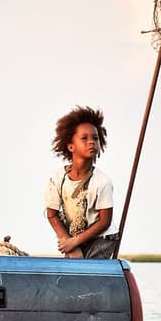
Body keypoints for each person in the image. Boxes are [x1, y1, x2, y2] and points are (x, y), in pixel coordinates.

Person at [44, 106, 119, 259]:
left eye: (95, 138)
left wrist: (74, 242)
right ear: (71, 146)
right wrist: (68, 242)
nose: (91, 142)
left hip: (102, 238)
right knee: (73, 262)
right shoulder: (57, 178)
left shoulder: (102, 181)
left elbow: (105, 221)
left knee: (84, 266)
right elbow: (52, 214)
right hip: (75, 236)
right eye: (84, 138)